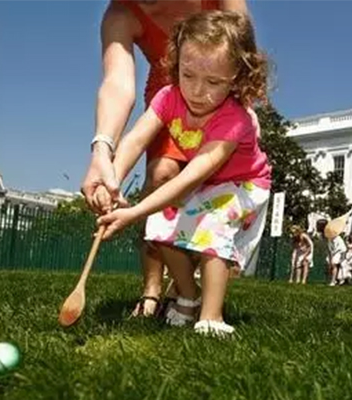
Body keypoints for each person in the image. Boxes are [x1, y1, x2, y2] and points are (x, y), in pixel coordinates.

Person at [95, 10, 271, 335]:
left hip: (245, 185)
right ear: (177, 64)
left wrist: (131, 212)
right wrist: (112, 177)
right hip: (209, 183)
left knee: (213, 227)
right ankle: (187, 295)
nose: (197, 91)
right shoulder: (168, 97)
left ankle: (212, 316)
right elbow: (135, 139)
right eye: (188, 75)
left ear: (238, 77)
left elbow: (190, 177)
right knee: (159, 223)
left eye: (214, 82)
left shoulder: (234, 120)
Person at [316, 220, 347, 286]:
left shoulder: (330, 231)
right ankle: (332, 280)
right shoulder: (323, 235)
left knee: (334, 264)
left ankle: (334, 281)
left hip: (339, 248)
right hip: (332, 249)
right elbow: (328, 246)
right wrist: (330, 256)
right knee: (329, 264)